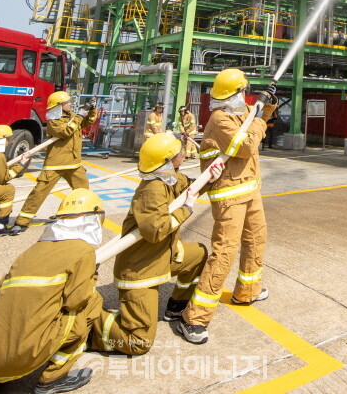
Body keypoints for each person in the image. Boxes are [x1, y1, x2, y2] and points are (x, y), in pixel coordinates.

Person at [0, 189, 105, 394]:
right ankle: (52, 379)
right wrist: (91, 276)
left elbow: (1, 287)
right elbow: (76, 301)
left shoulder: (31, 251)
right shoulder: (83, 251)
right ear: (93, 219)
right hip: (21, 358)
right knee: (91, 303)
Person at [91, 133, 219, 355]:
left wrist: (210, 179)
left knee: (198, 254)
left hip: (163, 256)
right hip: (140, 270)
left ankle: (176, 306)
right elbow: (155, 231)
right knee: (139, 342)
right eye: (179, 152)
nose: (182, 153)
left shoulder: (169, 177)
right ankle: (88, 326)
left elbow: (189, 187)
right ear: (168, 160)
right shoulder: (152, 189)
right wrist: (186, 209)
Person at [177, 69, 277, 345]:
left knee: (256, 240)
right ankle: (194, 318)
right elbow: (246, 146)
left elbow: (255, 119)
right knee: (225, 253)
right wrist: (259, 119)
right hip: (229, 194)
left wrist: (268, 103)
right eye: (243, 91)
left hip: (250, 189)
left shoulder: (238, 113)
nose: (245, 96)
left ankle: (247, 291)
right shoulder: (220, 119)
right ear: (233, 94)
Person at [10, 92, 97, 236]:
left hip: (74, 163)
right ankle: (21, 222)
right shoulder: (54, 121)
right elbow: (66, 131)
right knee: (39, 192)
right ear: (59, 106)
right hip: (56, 164)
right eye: (67, 102)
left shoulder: (72, 116)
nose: (70, 104)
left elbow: (87, 122)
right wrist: (80, 115)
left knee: (83, 191)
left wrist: (92, 110)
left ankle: (84, 217)